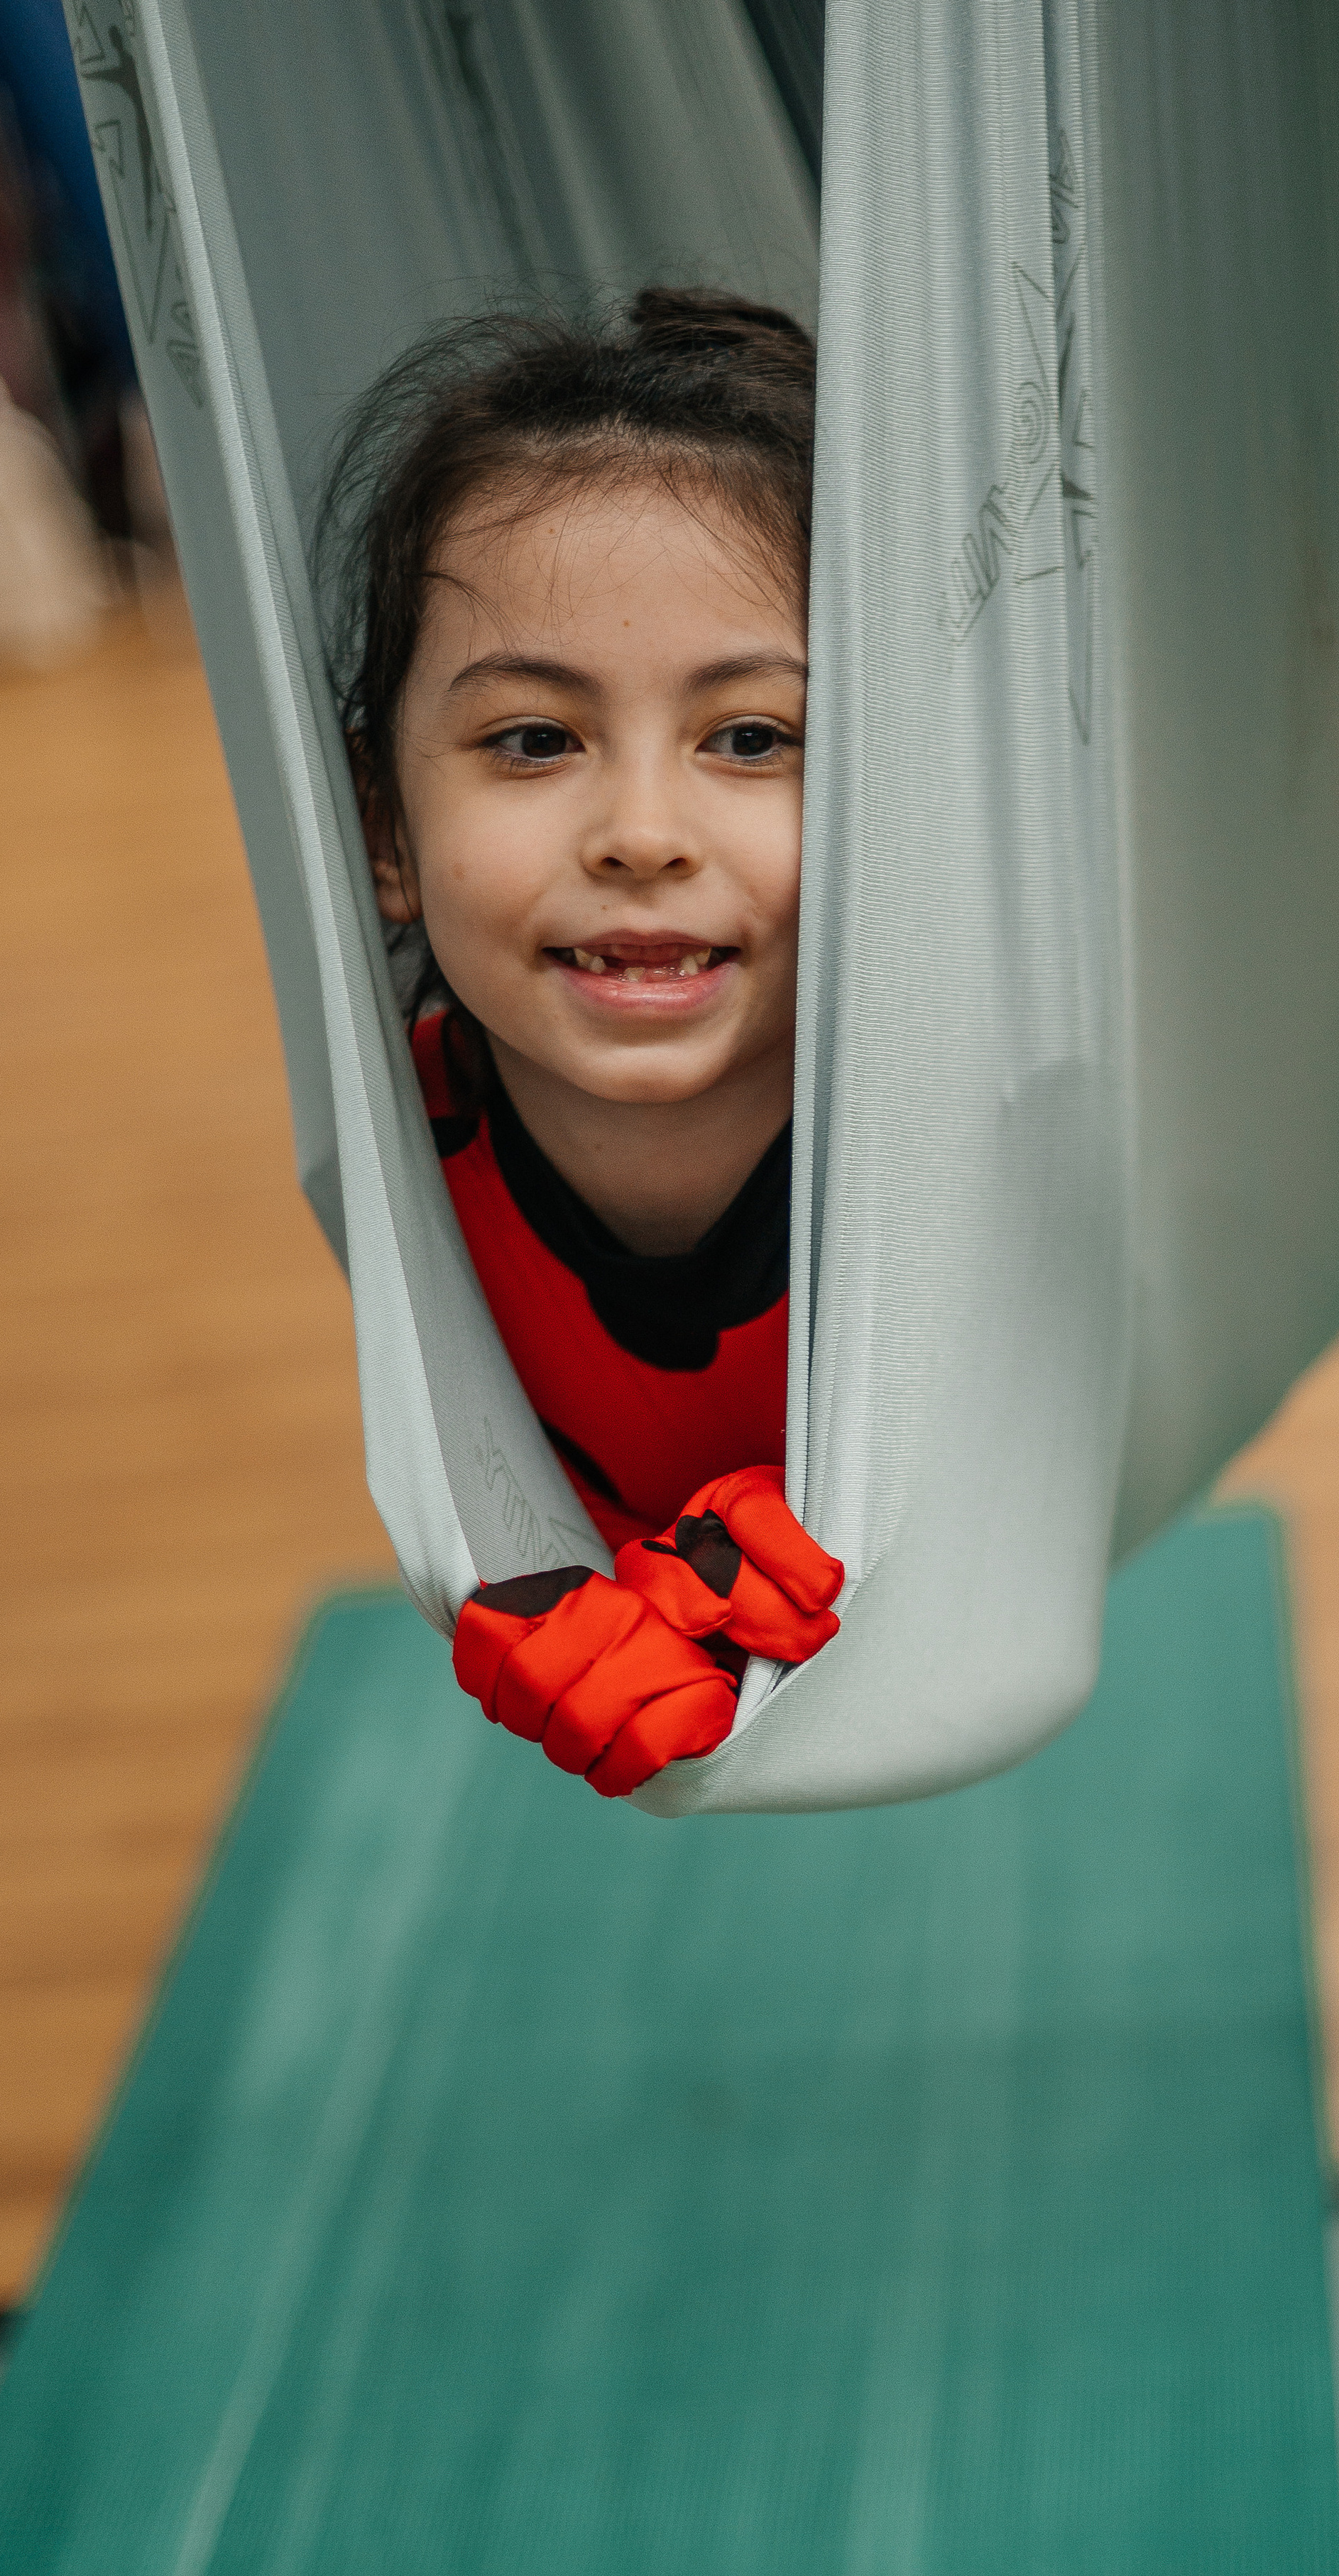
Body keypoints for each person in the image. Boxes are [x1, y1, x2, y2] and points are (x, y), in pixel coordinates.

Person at [320, 289, 843, 1798]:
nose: (636, 836)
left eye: (751, 737)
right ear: (383, 830)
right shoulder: (402, 1168)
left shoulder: (969, 1156)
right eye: (531, 740)